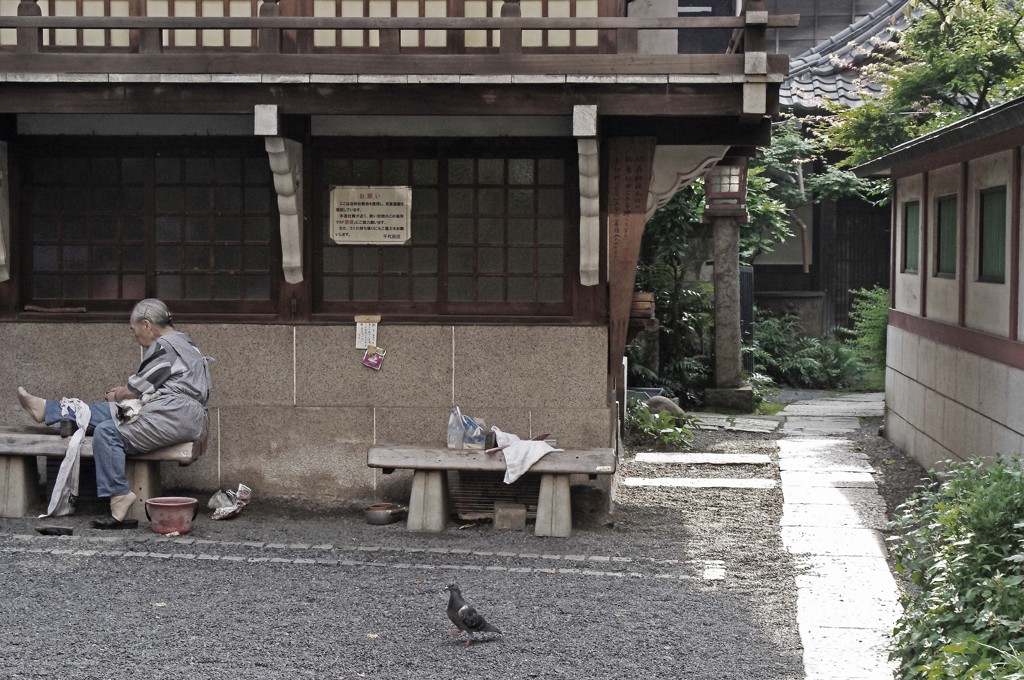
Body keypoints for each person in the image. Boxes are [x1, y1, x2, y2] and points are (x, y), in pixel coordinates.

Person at [17, 299, 211, 529]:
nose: (134, 336)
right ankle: (49, 409)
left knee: (108, 432)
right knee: (109, 413)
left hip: (174, 413)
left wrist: (118, 393)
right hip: (181, 413)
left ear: (147, 325)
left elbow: (135, 390)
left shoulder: (164, 346)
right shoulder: (186, 343)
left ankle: (119, 495)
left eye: (134, 329)